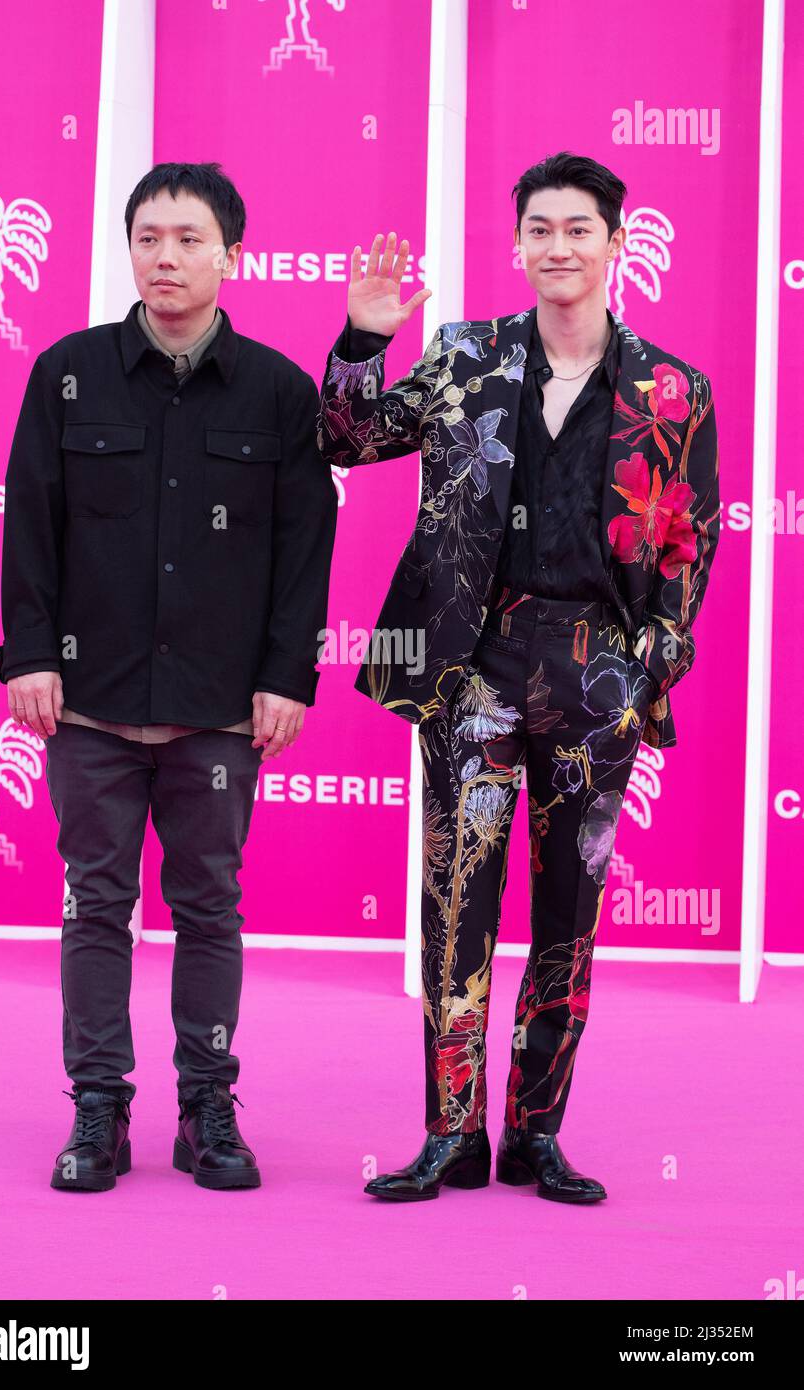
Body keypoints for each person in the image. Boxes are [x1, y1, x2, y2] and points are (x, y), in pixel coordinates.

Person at [316, 151, 720, 1203]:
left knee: (568, 915)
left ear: (613, 243)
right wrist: (364, 338)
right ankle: (450, 1134)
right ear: (515, 245)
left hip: (597, 680)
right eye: (537, 229)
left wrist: (647, 667)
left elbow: (689, 545)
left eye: (577, 228)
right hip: (471, 669)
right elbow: (350, 439)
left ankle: (534, 1134)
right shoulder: (463, 358)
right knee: (454, 905)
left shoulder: (672, 390)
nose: (556, 246)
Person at [0, 162, 338, 1192]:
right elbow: (29, 528)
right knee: (94, 905)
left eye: (188, 239)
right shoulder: (67, 372)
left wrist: (287, 676)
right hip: (90, 697)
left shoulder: (278, 392)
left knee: (210, 907)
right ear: (128, 249)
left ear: (230, 253)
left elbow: (301, 547)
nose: (166, 257)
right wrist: (24, 655)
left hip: (219, 710)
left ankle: (207, 1106)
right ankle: (97, 1108)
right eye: (148, 237)